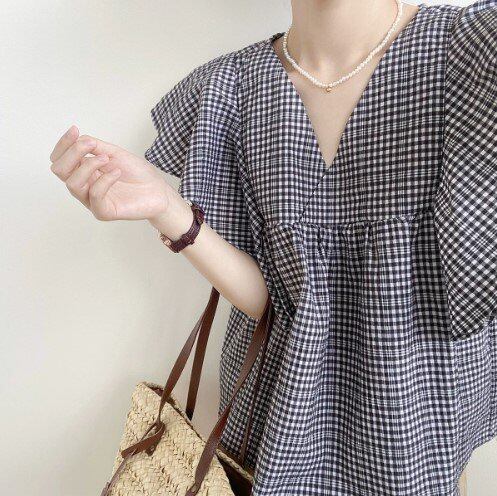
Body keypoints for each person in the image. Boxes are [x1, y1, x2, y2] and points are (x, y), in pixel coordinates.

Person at [50, 0, 496, 494]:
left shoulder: (469, 49)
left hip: (415, 429)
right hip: (278, 421)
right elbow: (276, 302)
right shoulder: (229, 88)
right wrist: (167, 208)